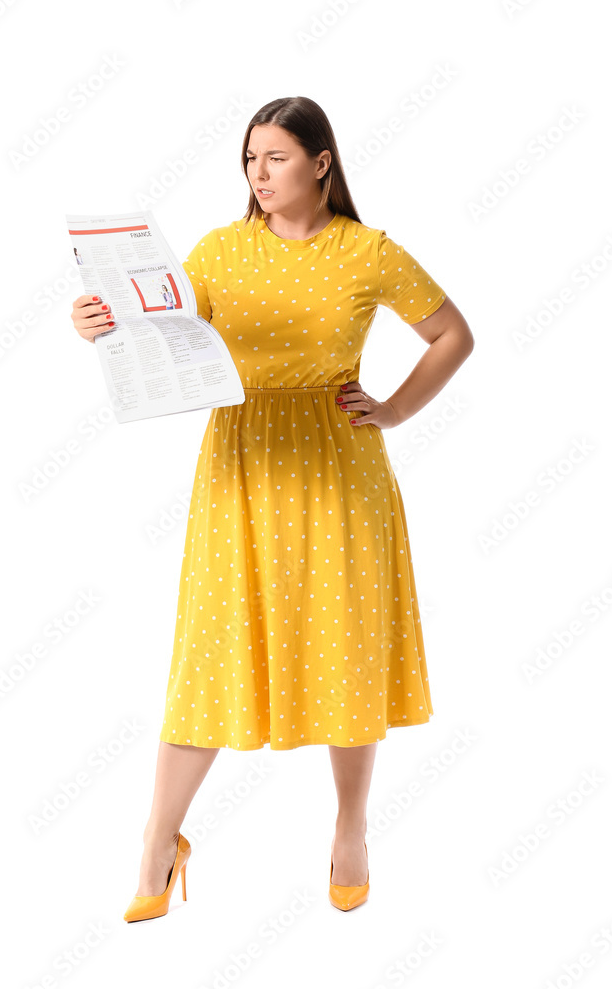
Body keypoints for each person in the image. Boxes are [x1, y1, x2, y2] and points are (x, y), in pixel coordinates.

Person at [71, 96, 474, 921]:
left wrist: (393, 410)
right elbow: (166, 340)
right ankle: (158, 839)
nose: (258, 173)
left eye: (276, 157)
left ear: (321, 163)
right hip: (242, 464)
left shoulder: (369, 252)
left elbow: (453, 335)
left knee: (345, 645)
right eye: (250, 159)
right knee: (213, 653)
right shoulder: (221, 252)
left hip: (338, 468)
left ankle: (352, 830)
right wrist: (99, 326)